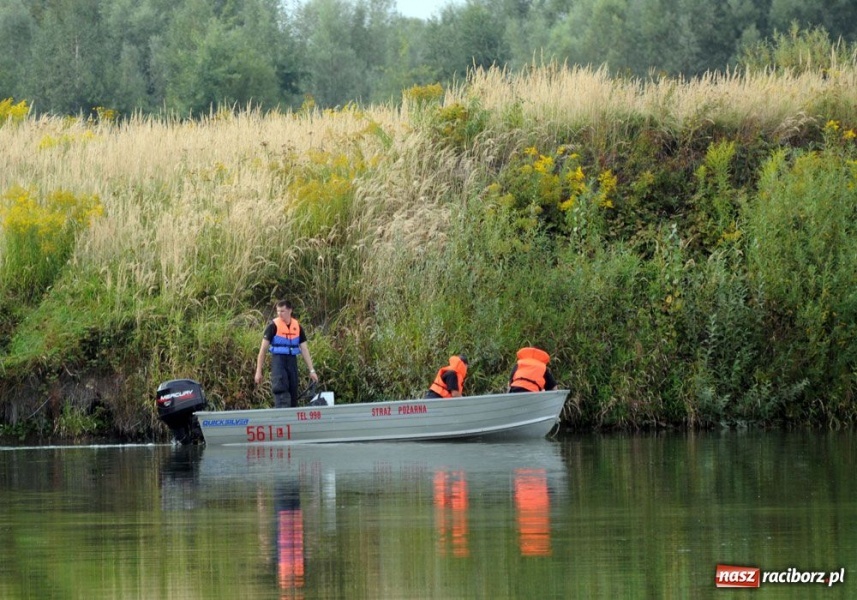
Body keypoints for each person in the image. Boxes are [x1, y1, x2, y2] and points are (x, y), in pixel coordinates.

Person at [255, 300, 319, 408]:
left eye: (282, 311)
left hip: (292, 361)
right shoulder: (272, 326)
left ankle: (293, 420)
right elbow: (262, 350)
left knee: (293, 391)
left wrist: (312, 370)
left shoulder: (297, 327)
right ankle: (282, 417)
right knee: (281, 390)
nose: (280, 314)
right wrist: (258, 371)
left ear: (290, 310)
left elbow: (304, 349)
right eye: (278, 311)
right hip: (279, 361)